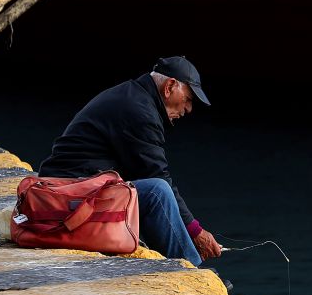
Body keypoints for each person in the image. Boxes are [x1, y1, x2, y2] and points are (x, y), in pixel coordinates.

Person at [39, 56, 223, 266]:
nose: (189, 109)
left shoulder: (133, 97)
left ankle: (178, 263)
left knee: (147, 189)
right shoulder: (140, 111)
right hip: (70, 197)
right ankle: (192, 268)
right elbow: (156, 175)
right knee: (157, 191)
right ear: (170, 86)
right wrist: (195, 231)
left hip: (75, 189)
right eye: (188, 99)